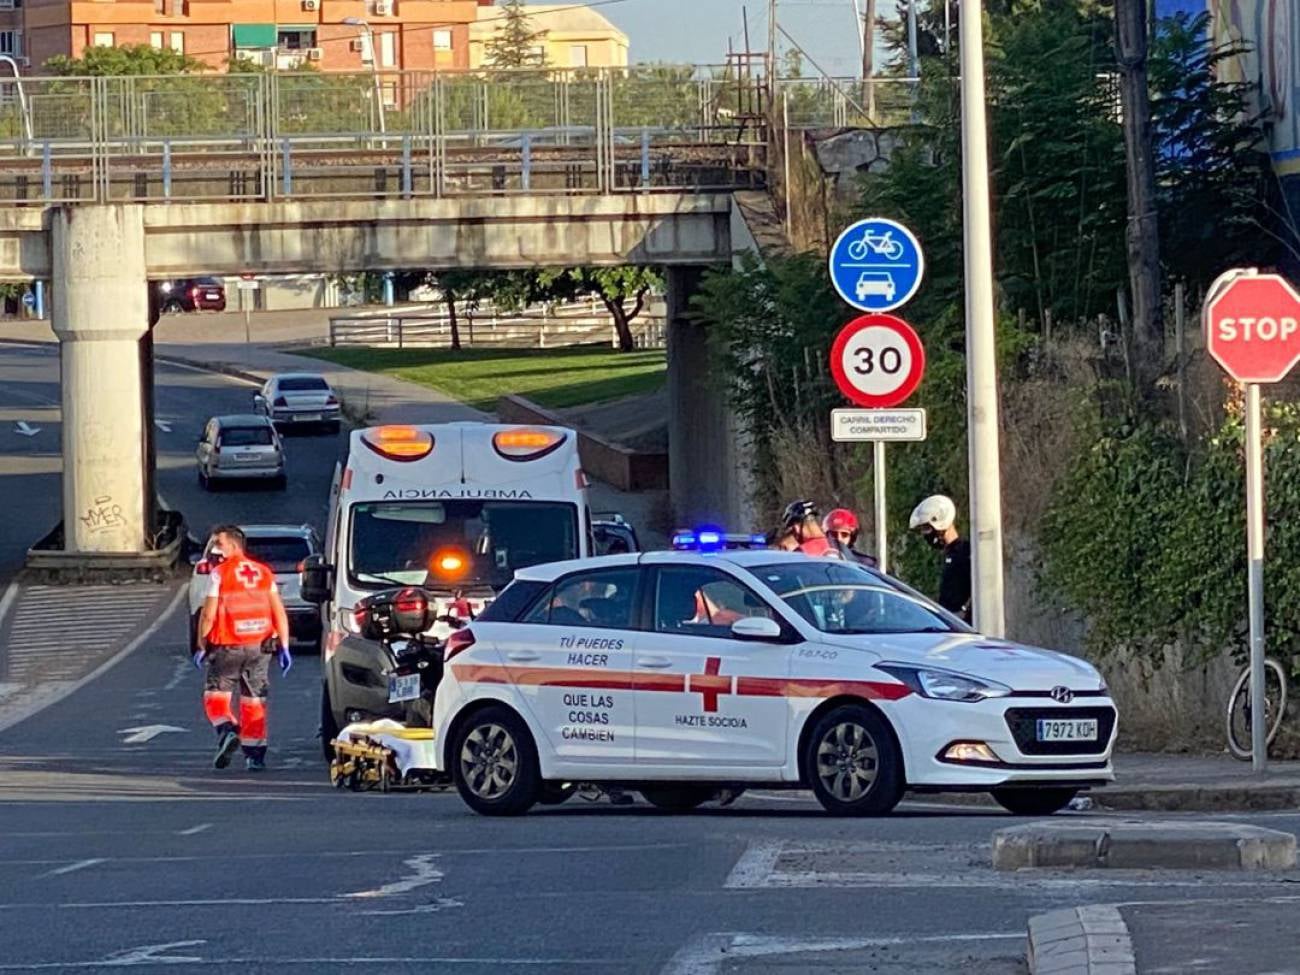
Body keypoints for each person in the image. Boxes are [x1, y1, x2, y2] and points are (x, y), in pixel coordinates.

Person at [194, 525, 292, 772]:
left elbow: (208, 613)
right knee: (254, 700)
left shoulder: (220, 573)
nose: (216, 548)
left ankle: (227, 730)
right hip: (260, 646)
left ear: (234, 546)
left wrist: (201, 643)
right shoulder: (263, 572)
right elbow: (278, 610)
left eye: (220, 543)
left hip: (229, 645)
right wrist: (285, 644)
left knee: (215, 697)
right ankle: (255, 755)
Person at [908, 495, 972, 622]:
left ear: (940, 523)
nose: (924, 534)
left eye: (927, 528)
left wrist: (964, 615)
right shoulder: (949, 554)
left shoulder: (966, 553)